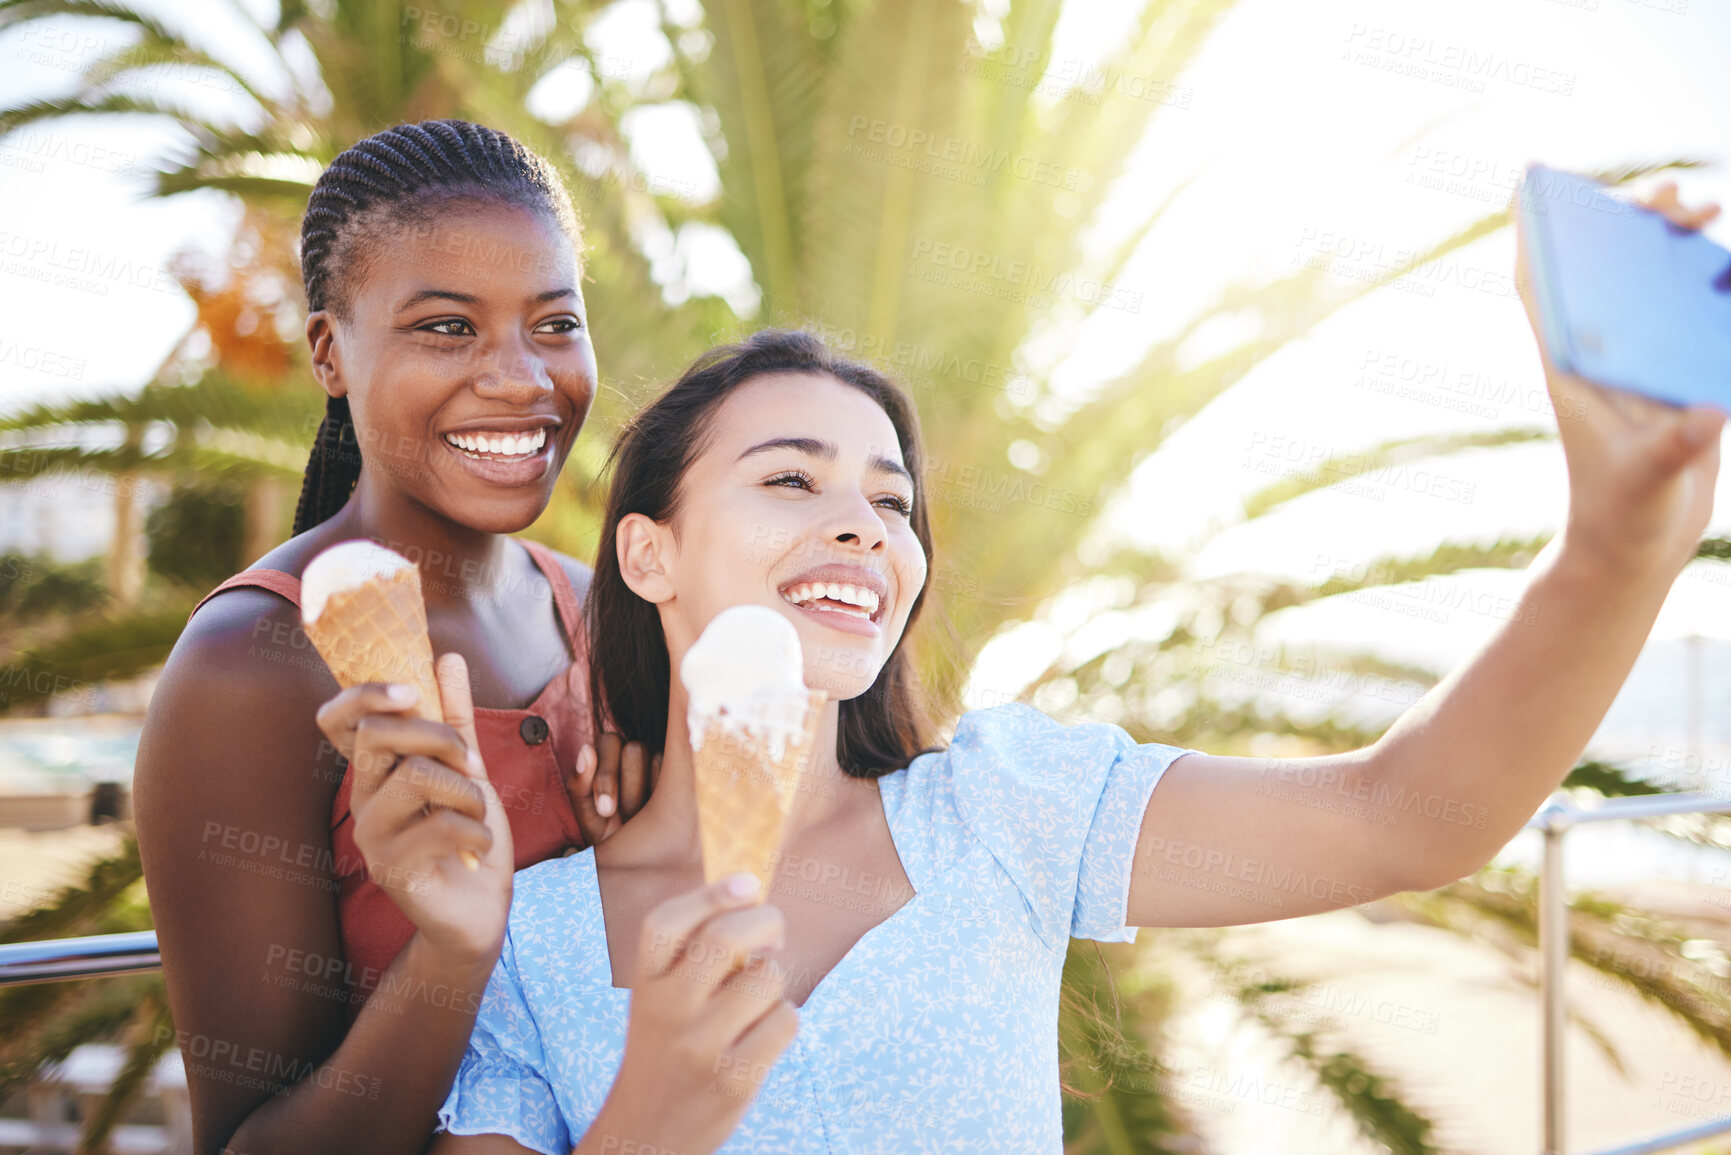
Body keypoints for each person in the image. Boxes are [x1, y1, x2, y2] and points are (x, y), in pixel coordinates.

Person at [361, 180, 1720, 1154]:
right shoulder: (526, 939)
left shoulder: (1003, 808)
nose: (861, 523)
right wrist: (660, 1108)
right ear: (646, 555)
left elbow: (1403, 816)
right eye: (790, 477)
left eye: (892, 504)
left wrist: (1614, 537)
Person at [134, 120, 655, 1155]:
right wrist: (454, 953)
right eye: (447, 329)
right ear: (329, 350)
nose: (520, 377)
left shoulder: (613, 613)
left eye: (554, 323)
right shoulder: (250, 668)